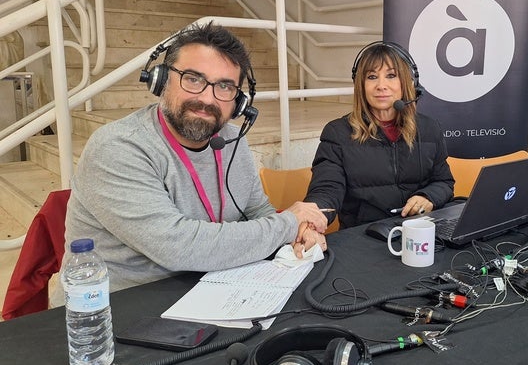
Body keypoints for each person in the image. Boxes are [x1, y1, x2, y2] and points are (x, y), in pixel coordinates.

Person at [52, 22, 327, 303]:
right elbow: (176, 245)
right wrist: (288, 224)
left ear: (239, 103)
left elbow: (255, 208)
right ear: (160, 80)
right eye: (193, 79)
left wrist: (299, 233)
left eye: (224, 86)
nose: (207, 98)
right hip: (117, 309)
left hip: (211, 291)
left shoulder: (232, 140)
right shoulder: (118, 147)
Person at [305, 41, 454, 229]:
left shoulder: (429, 128)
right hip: (366, 236)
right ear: (361, 85)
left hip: (419, 231)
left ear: (407, 83)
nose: (381, 85)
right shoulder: (337, 133)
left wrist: (428, 197)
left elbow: (444, 182)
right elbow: (327, 189)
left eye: (391, 75)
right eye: (372, 77)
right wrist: (312, 221)